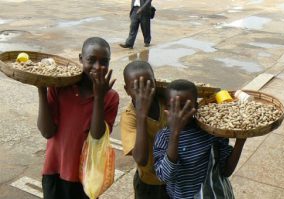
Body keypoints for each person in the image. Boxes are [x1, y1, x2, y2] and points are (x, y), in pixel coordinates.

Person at [37, 37, 119, 199]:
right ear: (81, 59)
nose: (97, 67)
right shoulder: (60, 86)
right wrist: (42, 89)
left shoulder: (110, 97)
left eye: (104, 62)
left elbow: (96, 137)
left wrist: (99, 97)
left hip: (86, 176)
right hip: (55, 170)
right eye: (91, 60)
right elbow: (47, 132)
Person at [153, 79, 246, 199]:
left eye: (186, 107)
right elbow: (164, 176)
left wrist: (240, 141)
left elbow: (226, 171)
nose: (180, 113)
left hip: (215, 194)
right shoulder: (164, 137)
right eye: (175, 107)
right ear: (166, 108)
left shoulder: (211, 131)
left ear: (196, 108)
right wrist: (175, 133)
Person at [120, 60, 169, 199]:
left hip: (173, 180)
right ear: (127, 90)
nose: (144, 92)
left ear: (155, 82)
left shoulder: (164, 102)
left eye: (148, 84)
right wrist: (142, 114)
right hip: (148, 184)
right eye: (136, 87)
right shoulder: (130, 117)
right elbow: (141, 159)